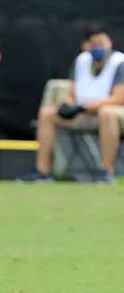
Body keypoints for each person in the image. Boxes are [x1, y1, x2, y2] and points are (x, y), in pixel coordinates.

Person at [21, 26, 124, 183]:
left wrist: (82, 107)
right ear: (85, 45)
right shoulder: (81, 61)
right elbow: (72, 92)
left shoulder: (120, 62)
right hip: (85, 115)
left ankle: (106, 172)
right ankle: (42, 172)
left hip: (114, 115)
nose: (99, 48)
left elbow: (117, 99)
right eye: (94, 44)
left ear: (109, 42)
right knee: (47, 113)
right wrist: (68, 105)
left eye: (102, 43)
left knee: (107, 113)